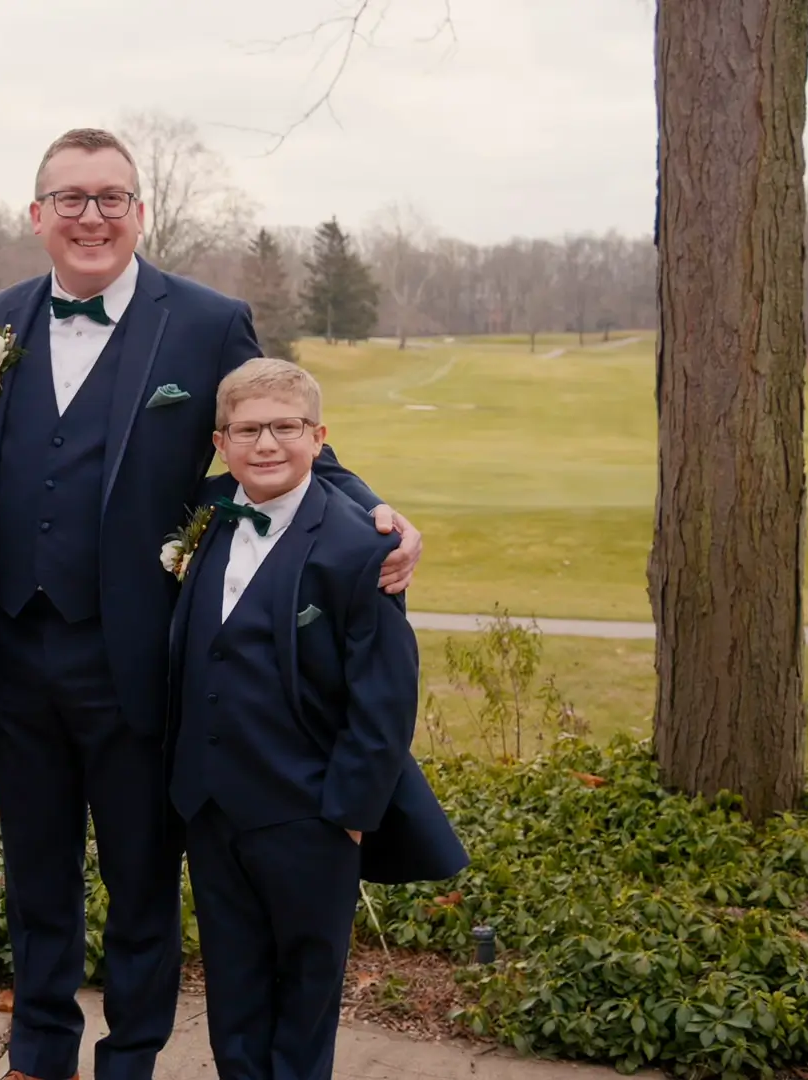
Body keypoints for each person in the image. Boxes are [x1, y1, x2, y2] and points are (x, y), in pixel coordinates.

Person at [0, 127, 423, 1080]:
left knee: (140, 876)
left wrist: (373, 510)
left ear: (140, 211)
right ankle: (39, 1052)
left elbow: (278, 434)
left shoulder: (208, 321)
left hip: (137, 655)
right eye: (72, 198)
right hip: (16, 652)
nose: (92, 216)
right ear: (37, 213)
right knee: (36, 873)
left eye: (111, 198)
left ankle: (130, 1055)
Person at [165, 356, 468, 1080]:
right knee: (233, 989)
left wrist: (349, 813)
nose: (265, 445)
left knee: (303, 994)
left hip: (309, 813)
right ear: (221, 441)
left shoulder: (359, 545)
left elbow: (384, 696)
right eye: (247, 431)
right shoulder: (204, 517)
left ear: (318, 435)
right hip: (210, 807)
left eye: (284, 428)